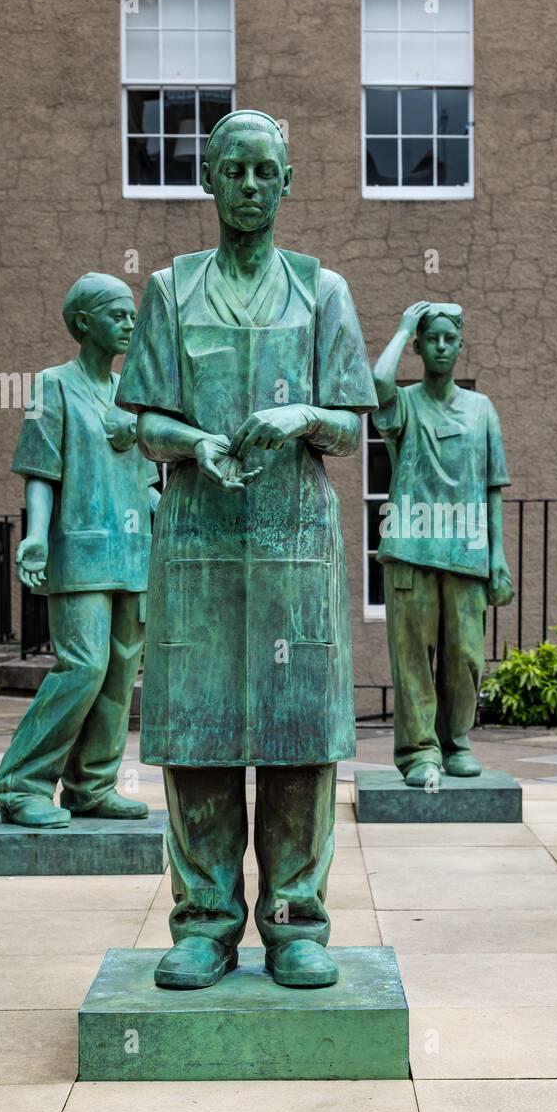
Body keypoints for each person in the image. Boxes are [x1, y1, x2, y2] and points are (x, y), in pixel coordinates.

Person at [116, 109, 376, 990]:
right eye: (236, 171)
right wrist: (191, 443)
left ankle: (296, 922)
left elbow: (350, 425)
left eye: (268, 171)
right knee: (198, 735)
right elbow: (142, 420)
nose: (252, 186)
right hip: (197, 542)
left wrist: (300, 415)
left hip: (294, 543)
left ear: (289, 181)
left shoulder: (321, 290)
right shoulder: (171, 289)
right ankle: (204, 922)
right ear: (210, 179)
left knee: (298, 737)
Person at [0, 273, 156, 828]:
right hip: (79, 553)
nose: (129, 324)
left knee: (118, 675)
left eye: (132, 315)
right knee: (84, 667)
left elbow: (148, 479)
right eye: (117, 315)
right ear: (83, 323)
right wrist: (35, 537)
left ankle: (91, 785)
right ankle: (21, 784)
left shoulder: (133, 395)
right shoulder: (52, 385)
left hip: (133, 553)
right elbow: (40, 471)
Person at [372, 300, 514, 788]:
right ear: (418, 345)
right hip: (411, 550)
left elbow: (493, 487)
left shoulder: (482, 410)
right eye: (429, 338)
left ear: (460, 346)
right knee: (412, 658)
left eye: (448, 338)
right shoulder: (405, 404)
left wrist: (498, 556)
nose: (439, 346)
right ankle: (418, 754)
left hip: (468, 553)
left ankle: (456, 742)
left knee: (467, 658)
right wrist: (402, 325)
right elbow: (377, 385)